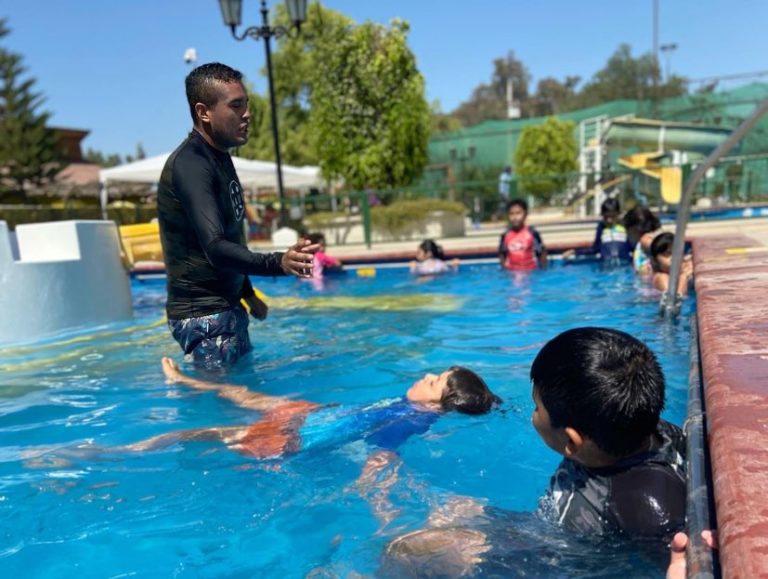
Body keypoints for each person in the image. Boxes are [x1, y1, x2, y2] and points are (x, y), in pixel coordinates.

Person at [156, 62, 317, 368]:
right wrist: (278, 262)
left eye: (246, 104)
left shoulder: (219, 158)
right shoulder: (191, 165)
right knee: (229, 405)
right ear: (204, 112)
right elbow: (215, 247)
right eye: (236, 105)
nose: (247, 114)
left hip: (225, 308)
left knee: (242, 399)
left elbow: (231, 234)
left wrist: (246, 292)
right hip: (203, 316)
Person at [102, 358, 501, 460]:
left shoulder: (409, 420)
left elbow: (382, 459)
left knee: (189, 435)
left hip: (294, 436)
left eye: (433, 381)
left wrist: (383, 509)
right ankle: (184, 381)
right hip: (312, 413)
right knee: (238, 391)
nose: (427, 374)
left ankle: (117, 453)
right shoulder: (408, 408)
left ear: (438, 404)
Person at [531, 327, 686, 537]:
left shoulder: (645, 511)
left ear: (572, 442)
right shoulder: (637, 422)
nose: (533, 415)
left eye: (536, 407)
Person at [564, 198, 632, 264]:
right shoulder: (601, 227)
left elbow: (632, 246)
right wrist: (575, 251)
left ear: (619, 214)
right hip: (606, 265)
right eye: (606, 217)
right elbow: (595, 248)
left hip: (624, 263)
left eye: (612, 216)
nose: (609, 220)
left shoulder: (625, 226)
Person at [498, 199, 547, 271]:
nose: (515, 217)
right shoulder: (505, 235)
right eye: (511, 214)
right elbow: (502, 254)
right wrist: (504, 270)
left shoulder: (532, 233)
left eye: (518, 213)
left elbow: (541, 252)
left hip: (530, 272)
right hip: (512, 273)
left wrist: (543, 269)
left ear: (525, 214)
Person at [623, 205, 662, 276]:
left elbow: (663, 253)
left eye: (627, 231)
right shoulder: (641, 243)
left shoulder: (645, 240)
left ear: (634, 229)